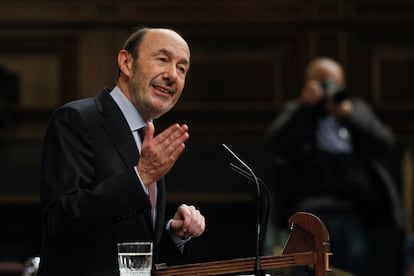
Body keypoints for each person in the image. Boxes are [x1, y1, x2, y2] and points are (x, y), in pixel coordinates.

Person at [38, 27, 205, 276]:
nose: (172, 75)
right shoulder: (76, 119)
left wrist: (173, 233)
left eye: (182, 68)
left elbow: (129, 245)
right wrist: (140, 176)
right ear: (126, 63)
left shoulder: (147, 135)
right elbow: (60, 219)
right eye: (162, 59)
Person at [266, 57, 404, 275]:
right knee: (305, 268)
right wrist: (305, 109)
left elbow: (384, 143)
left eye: (334, 84)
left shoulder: (354, 110)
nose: (328, 90)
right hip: (307, 210)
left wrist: (349, 115)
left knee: (351, 266)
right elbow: (277, 144)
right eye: (322, 84)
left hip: (352, 211)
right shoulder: (298, 111)